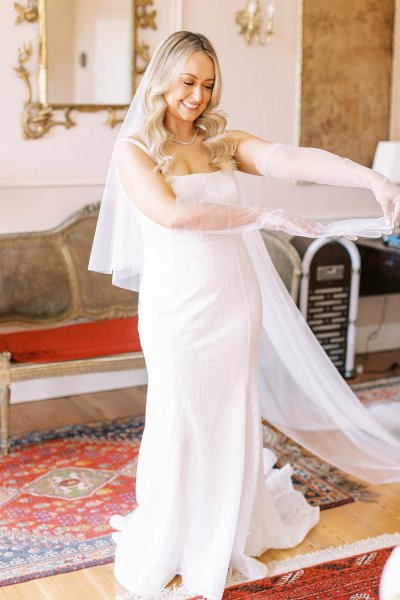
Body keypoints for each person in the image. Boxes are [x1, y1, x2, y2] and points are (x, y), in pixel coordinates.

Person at [89, 31, 400, 600]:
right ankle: (178, 528)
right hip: (177, 303)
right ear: (160, 78)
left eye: (207, 85)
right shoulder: (132, 150)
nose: (197, 96)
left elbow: (287, 158)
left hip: (233, 297)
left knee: (232, 410)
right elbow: (172, 213)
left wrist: (371, 176)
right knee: (181, 412)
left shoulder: (219, 141)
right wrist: (263, 214)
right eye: (187, 82)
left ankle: (231, 521)